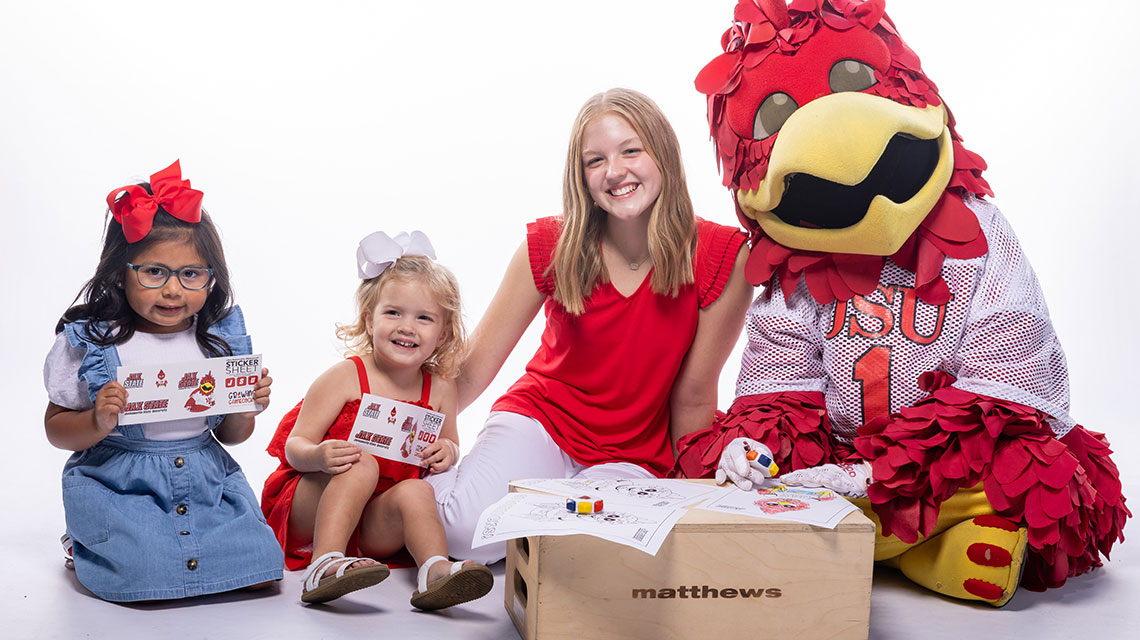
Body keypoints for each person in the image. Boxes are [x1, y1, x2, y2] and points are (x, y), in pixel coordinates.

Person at [427, 88, 754, 563]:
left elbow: (696, 396)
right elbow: (474, 369)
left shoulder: (722, 254)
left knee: (586, 555)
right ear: (581, 177)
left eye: (631, 150)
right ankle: (438, 489)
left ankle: (543, 508)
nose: (615, 171)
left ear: (663, 153)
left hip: (636, 453)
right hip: (542, 420)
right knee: (463, 538)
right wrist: (411, 428)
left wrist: (691, 501)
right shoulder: (550, 243)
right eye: (595, 160)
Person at [43, 160, 284, 602]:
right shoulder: (95, 342)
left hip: (207, 483)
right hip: (122, 484)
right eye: (155, 272)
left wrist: (244, 407)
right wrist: (97, 421)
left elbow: (232, 436)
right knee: (140, 574)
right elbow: (56, 428)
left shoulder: (216, 341)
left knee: (263, 566)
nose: (174, 290)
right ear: (121, 272)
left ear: (212, 279)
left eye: (191, 274)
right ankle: (87, 547)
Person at [260, 231, 494, 608]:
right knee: (360, 464)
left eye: (424, 318)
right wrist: (319, 456)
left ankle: (434, 571)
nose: (407, 326)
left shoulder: (440, 389)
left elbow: (451, 442)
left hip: (373, 519)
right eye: (393, 313)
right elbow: (294, 447)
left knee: (419, 491)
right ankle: (324, 563)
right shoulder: (345, 376)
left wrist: (446, 451)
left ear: (444, 332)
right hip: (315, 504)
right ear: (369, 320)